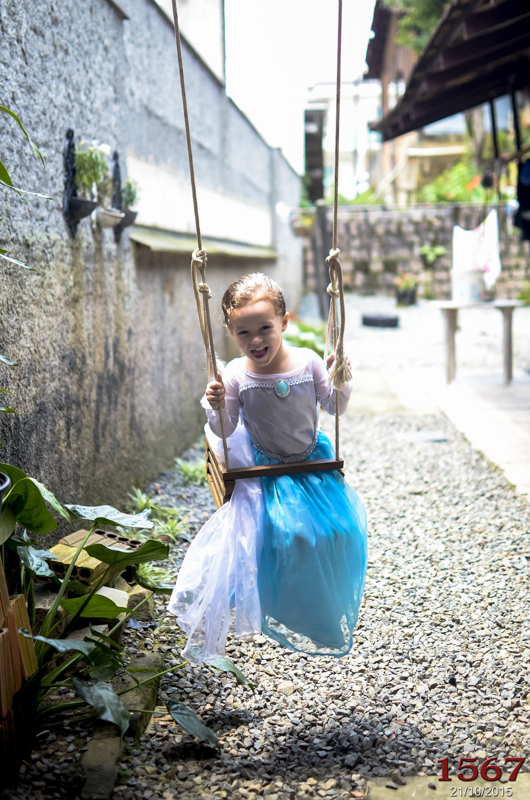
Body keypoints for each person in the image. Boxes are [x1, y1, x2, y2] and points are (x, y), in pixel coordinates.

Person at [168, 273, 367, 661]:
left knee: (342, 531)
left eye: (264, 328)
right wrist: (216, 405)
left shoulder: (308, 361)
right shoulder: (235, 375)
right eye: (244, 333)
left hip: (312, 463)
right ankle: (287, 604)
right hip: (270, 471)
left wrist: (341, 377)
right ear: (231, 333)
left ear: (284, 323)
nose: (255, 340)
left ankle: (321, 603)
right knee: (288, 537)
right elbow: (226, 429)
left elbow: (335, 406)